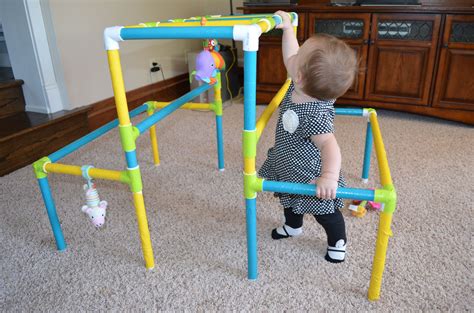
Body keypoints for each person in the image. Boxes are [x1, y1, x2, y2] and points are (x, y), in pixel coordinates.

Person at [258, 11, 358, 263]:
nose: (294, 56)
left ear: (299, 75)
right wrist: (288, 30)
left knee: (325, 212)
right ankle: (293, 226)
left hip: (309, 173)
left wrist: (328, 177)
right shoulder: (300, 83)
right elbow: (290, 55)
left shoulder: (314, 113)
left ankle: (338, 241)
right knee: (288, 200)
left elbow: (329, 145)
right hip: (286, 159)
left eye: (299, 55)